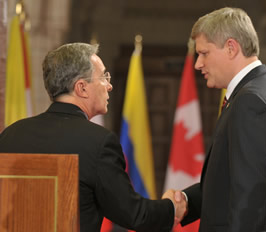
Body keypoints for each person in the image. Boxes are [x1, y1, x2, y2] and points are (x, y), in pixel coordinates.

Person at [0, 42, 186, 232]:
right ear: (82, 88)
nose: (110, 85)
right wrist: (171, 207)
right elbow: (135, 214)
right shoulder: (99, 142)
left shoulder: (10, 135)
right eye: (104, 77)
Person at [165, 7, 266, 232]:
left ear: (231, 48)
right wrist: (186, 201)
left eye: (204, 53)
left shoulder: (251, 102)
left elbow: (251, 198)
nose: (198, 64)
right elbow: (233, 181)